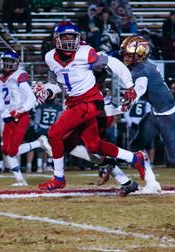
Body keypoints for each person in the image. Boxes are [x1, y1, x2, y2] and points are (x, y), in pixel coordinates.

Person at [34, 22, 144, 191]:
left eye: (73, 37)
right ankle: (135, 158)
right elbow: (56, 83)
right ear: (56, 39)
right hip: (74, 103)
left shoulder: (85, 53)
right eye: (65, 37)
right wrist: (48, 92)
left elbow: (114, 63)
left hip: (89, 101)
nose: (70, 41)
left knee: (54, 134)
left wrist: (129, 86)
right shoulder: (50, 57)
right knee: (94, 146)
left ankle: (58, 178)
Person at [95, 34, 175, 194]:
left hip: (169, 116)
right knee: (135, 146)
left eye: (131, 55)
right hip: (155, 113)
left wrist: (123, 102)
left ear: (141, 55)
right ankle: (152, 183)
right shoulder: (139, 65)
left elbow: (137, 91)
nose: (126, 57)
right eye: (126, 54)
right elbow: (109, 58)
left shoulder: (142, 70)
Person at [0, 50, 47, 185]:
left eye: (10, 62)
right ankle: (20, 180)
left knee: (12, 150)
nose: (7, 65)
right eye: (5, 62)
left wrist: (21, 110)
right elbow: (1, 103)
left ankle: (38, 143)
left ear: (16, 63)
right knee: (5, 150)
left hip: (21, 115)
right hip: (8, 115)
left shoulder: (20, 75)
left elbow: (30, 98)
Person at [33, 97, 61, 172]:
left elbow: (37, 119)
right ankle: (45, 165)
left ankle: (44, 166)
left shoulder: (42, 106)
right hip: (50, 129)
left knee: (45, 148)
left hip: (43, 128)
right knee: (45, 148)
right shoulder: (57, 107)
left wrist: (36, 129)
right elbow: (59, 120)